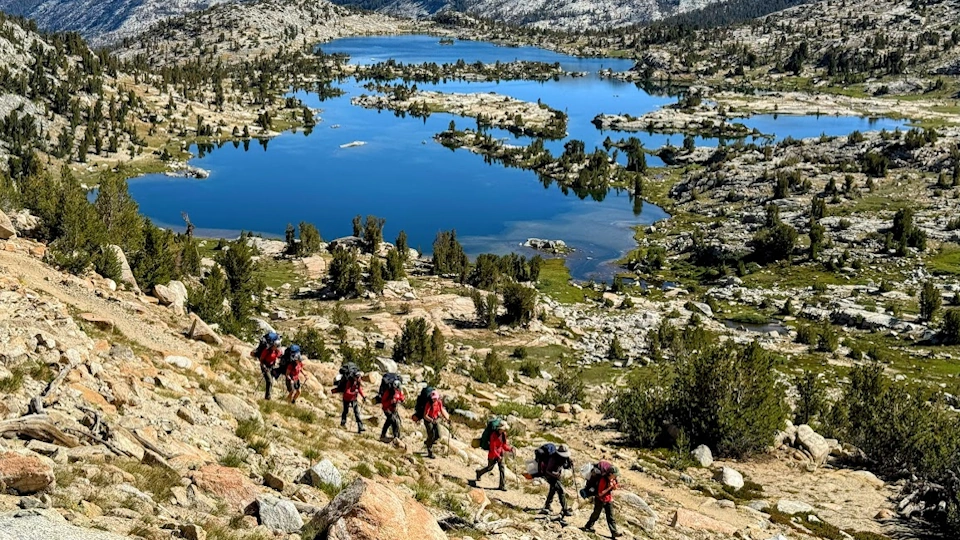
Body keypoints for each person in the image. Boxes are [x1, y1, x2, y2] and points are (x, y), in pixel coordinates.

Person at [582, 464, 620, 538]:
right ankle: (588, 525)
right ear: (611, 474)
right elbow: (600, 493)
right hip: (600, 500)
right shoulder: (603, 480)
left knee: (611, 517)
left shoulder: (613, 479)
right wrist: (609, 487)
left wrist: (614, 486)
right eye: (615, 475)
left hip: (608, 499)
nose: (616, 476)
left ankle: (614, 532)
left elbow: (615, 488)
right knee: (596, 514)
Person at [473, 422, 513, 491]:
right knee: (489, 468)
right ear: (500, 429)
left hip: (500, 454)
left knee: (502, 469)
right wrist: (498, 456)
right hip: (493, 455)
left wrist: (510, 449)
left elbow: (503, 445)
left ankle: (502, 486)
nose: (505, 430)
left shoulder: (503, 435)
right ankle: (479, 472)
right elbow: (493, 448)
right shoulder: (493, 435)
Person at [539, 444, 574, 517]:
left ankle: (547, 505)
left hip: (556, 476)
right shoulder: (553, 458)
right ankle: (565, 510)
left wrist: (570, 464)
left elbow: (565, 466)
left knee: (553, 490)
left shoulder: (565, 457)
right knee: (561, 490)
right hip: (550, 476)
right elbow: (547, 470)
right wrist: (555, 475)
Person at [251, 332, 281, 400]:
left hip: (271, 366)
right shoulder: (266, 351)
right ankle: (267, 397)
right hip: (265, 366)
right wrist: (264, 367)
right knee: (269, 380)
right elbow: (261, 360)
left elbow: (279, 356)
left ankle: (268, 396)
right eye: (275, 346)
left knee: (270, 381)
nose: (276, 347)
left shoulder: (276, 351)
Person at [421, 390, 448, 458]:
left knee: (438, 435)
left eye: (435, 398)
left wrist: (447, 419)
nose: (434, 399)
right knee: (431, 435)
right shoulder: (428, 404)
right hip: (428, 420)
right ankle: (429, 451)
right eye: (433, 398)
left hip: (435, 419)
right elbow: (425, 415)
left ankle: (428, 442)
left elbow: (441, 410)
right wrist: (431, 420)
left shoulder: (439, 402)